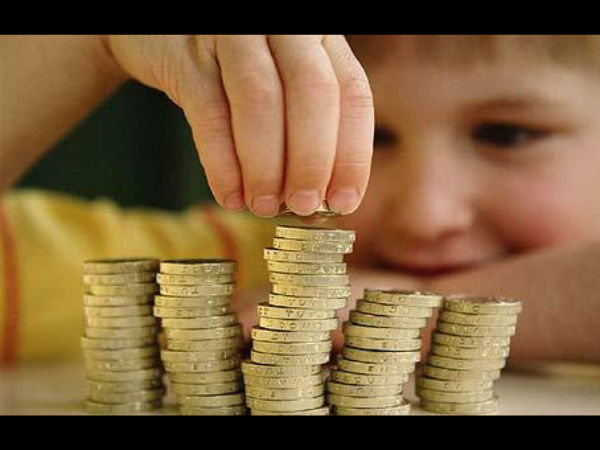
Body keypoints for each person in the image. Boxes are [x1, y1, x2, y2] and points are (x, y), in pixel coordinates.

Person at [1, 35, 599, 366]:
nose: (427, 216)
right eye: (363, 136)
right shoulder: (212, 274)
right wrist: (85, 47)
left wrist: (416, 313)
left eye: (507, 135)